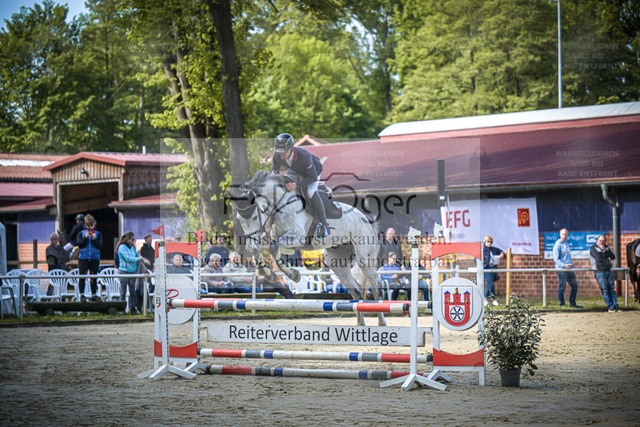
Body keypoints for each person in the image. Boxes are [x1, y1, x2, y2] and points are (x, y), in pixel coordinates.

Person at [271, 132, 329, 238]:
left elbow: (312, 177)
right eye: (280, 151)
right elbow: (274, 172)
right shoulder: (278, 155)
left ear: (291, 148)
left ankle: (324, 224)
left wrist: (296, 184)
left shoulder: (304, 156)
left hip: (313, 171)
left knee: (310, 192)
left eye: (284, 151)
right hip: (295, 170)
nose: (282, 154)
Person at [116, 231, 149, 315]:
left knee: (132, 291)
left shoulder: (132, 247)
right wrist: (139, 259)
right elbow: (128, 258)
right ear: (127, 239)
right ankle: (122, 309)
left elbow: (136, 255)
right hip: (124, 272)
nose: (133, 241)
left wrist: (143, 259)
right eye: (132, 239)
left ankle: (132, 308)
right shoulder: (122, 247)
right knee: (123, 291)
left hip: (132, 272)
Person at [553, 228, 583, 308]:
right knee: (562, 286)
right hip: (562, 269)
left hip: (569, 269)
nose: (565, 236)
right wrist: (564, 265)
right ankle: (562, 304)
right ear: (560, 235)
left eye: (566, 234)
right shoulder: (557, 245)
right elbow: (556, 259)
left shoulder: (566, 244)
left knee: (574, 286)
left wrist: (571, 264)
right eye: (563, 234)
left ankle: (572, 303)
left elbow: (567, 258)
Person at [589, 235, 620, 312]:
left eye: (603, 241)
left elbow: (613, 257)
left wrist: (605, 251)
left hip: (608, 271)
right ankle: (610, 307)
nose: (601, 242)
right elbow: (598, 258)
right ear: (597, 241)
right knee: (605, 290)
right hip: (599, 272)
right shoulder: (593, 248)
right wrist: (605, 255)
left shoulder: (607, 248)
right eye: (600, 240)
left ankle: (615, 306)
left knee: (612, 289)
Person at [76, 214, 103, 301]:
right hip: (83, 258)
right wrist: (85, 238)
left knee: (93, 277)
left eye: (91, 226)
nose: (90, 228)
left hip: (94, 258)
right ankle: (82, 295)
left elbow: (100, 246)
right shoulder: (81, 233)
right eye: (88, 226)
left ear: (94, 225)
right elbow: (79, 245)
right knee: (82, 276)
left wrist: (94, 239)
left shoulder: (98, 234)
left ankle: (94, 294)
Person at [483, 235, 504, 306]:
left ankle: (485, 299)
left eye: (491, 242)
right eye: (488, 241)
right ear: (485, 242)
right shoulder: (482, 249)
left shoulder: (493, 249)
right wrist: (482, 266)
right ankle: (493, 299)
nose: (489, 243)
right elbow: (476, 259)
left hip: (493, 268)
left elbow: (500, 251)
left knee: (489, 284)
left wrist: (501, 253)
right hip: (486, 268)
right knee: (491, 284)